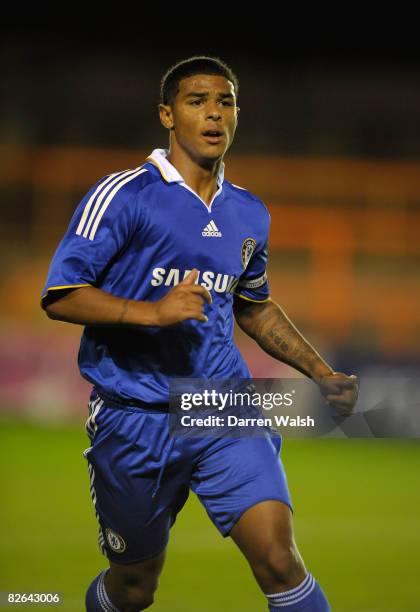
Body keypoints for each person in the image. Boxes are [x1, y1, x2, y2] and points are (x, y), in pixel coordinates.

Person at [41, 56, 358, 612]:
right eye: (197, 101)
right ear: (167, 113)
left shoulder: (248, 213)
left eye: (226, 101)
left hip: (219, 406)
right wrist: (153, 313)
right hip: (134, 414)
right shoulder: (123, 195)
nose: (214, 113)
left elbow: (253, 307)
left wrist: (321, 372)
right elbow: (62, 294)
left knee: (281, 562)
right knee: (134, 588)